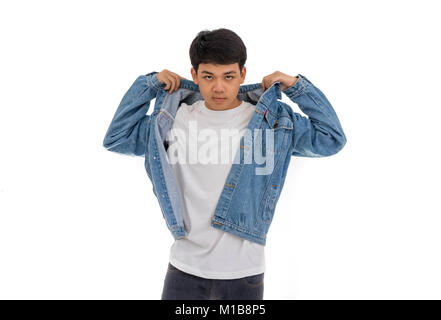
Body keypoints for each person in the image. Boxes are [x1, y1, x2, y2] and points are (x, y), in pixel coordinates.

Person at [103, 28, 346, 300]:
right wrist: (148, 85)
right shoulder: (172, 120)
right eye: (208, 76)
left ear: (242, 75)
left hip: (245, 275)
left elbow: (332, 139)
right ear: (194, 75)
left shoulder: (272, 123)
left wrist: (296, 87)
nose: (219, 87)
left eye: (228, 76)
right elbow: (116, 138)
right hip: (184, 270)